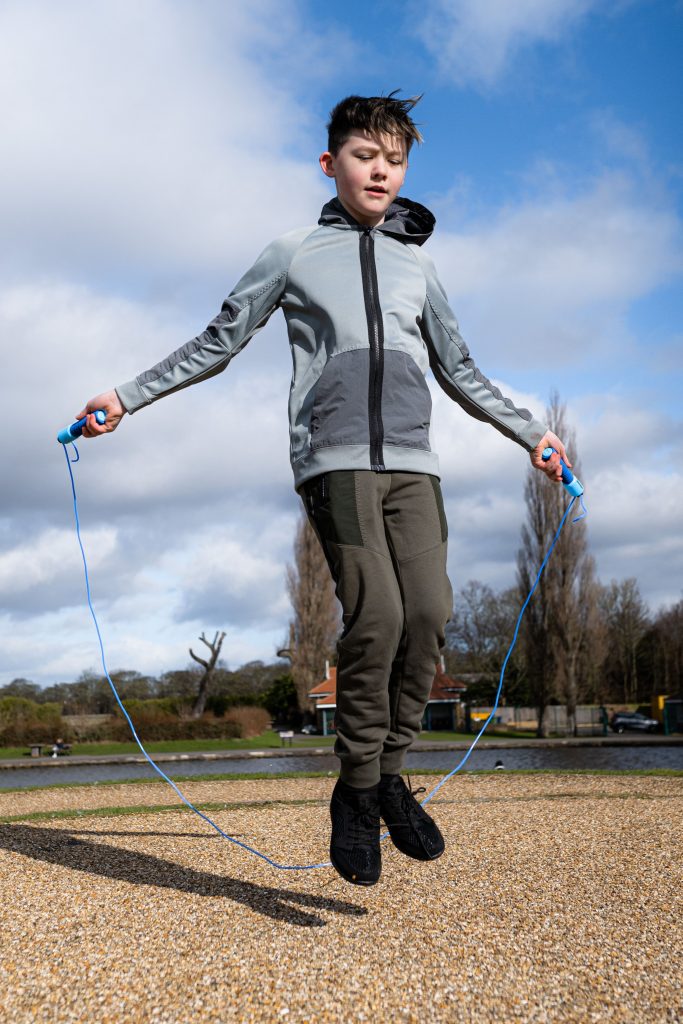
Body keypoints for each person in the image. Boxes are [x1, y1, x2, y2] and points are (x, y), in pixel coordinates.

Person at [75, 92, 570, 886]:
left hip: (414, 463)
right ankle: (355, 790)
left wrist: (531, 433)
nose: (381, 171)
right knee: (374, 612)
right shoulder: (292, 252)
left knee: (429, 615)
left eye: (395, 160)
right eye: (365, 156)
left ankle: (387, 777)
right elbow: (218, 339)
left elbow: (461, 368)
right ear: (330, 163)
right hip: (332, 461)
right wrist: (126, 395)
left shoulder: (420, 266)